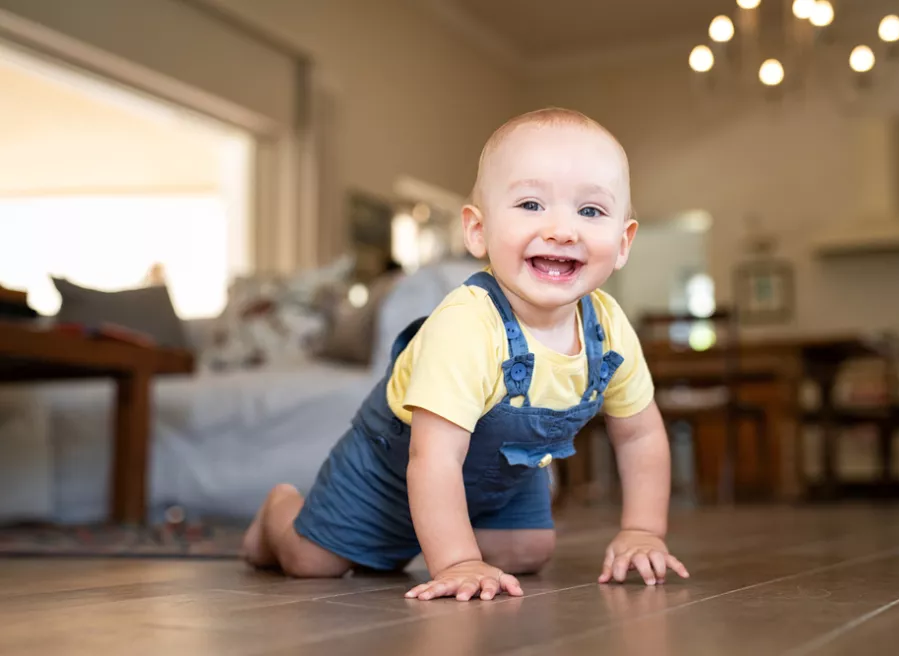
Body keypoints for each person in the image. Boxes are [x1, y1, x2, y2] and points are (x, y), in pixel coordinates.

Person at [242, 107, 690, 601]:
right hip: (394, 466)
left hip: (501, 476)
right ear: (478, 231)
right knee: (313, 562)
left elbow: (640, 435)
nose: (563, 230)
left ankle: (436, 531)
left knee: (528, 551)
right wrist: (457, 562)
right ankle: (277, 513)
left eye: (590, 211)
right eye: (531, 204)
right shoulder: (467, 324)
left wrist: (642, 529)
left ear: (623, 242)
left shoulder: (609, 328)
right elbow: (432, 455)